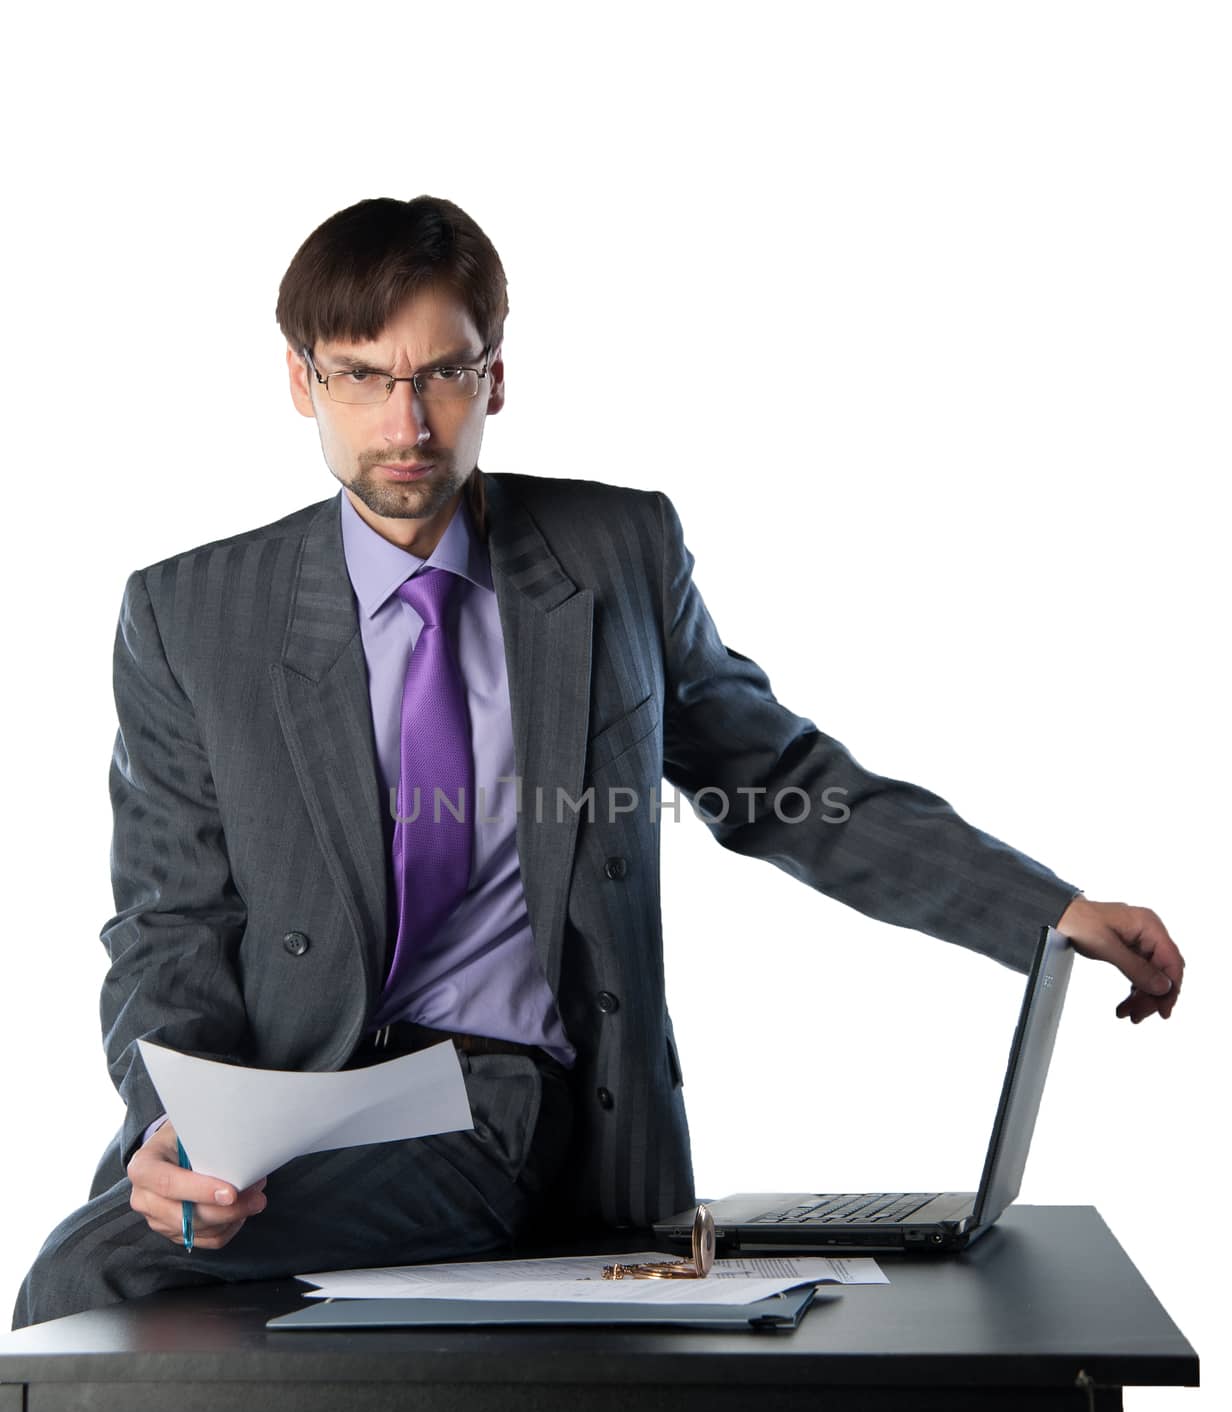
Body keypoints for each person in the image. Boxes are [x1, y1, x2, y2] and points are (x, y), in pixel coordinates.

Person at [12, 195, 1184, 1329]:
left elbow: (780, 783)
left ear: (496, 375)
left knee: (88, 1273)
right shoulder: (189, 613)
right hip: (292, 1117)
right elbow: (168, 923)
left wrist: (1047, 909)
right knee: (99, 1271)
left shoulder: (613, 551)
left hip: (511, 1100)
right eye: (361, 376)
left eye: (443, 373)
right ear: (299, 380)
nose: (406, 423)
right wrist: (177, 1134)